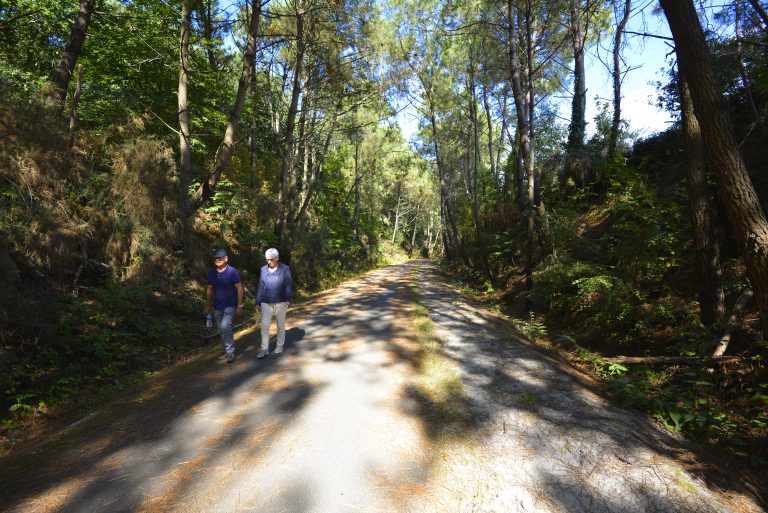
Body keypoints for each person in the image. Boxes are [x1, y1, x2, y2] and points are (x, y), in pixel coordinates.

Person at [205, 248, 244, 363]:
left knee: (225, 327)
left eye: (220, 258)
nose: (217, 260)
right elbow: (209, 289)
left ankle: (230, 351)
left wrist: (240, 305)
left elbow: (240, 288)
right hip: (217, 306)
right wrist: (207, 305)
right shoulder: (212, 272)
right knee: (220, 330)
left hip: (230, 305)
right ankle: (226, 351)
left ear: (226, 259)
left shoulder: (233, 272)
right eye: (216, 258)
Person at [255, 248, 293, 358]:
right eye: (267, 259)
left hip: (281, 302)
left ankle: (280, 345)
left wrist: (288, 298)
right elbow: (261, 286)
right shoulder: (263, 269)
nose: (269, 262)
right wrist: (258, 301)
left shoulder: (285, 268)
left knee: (280, 325)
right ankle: (264, 349)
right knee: (265, 326)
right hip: (266, 302)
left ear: (277, 258)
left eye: (271, 259)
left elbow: (288, 284)